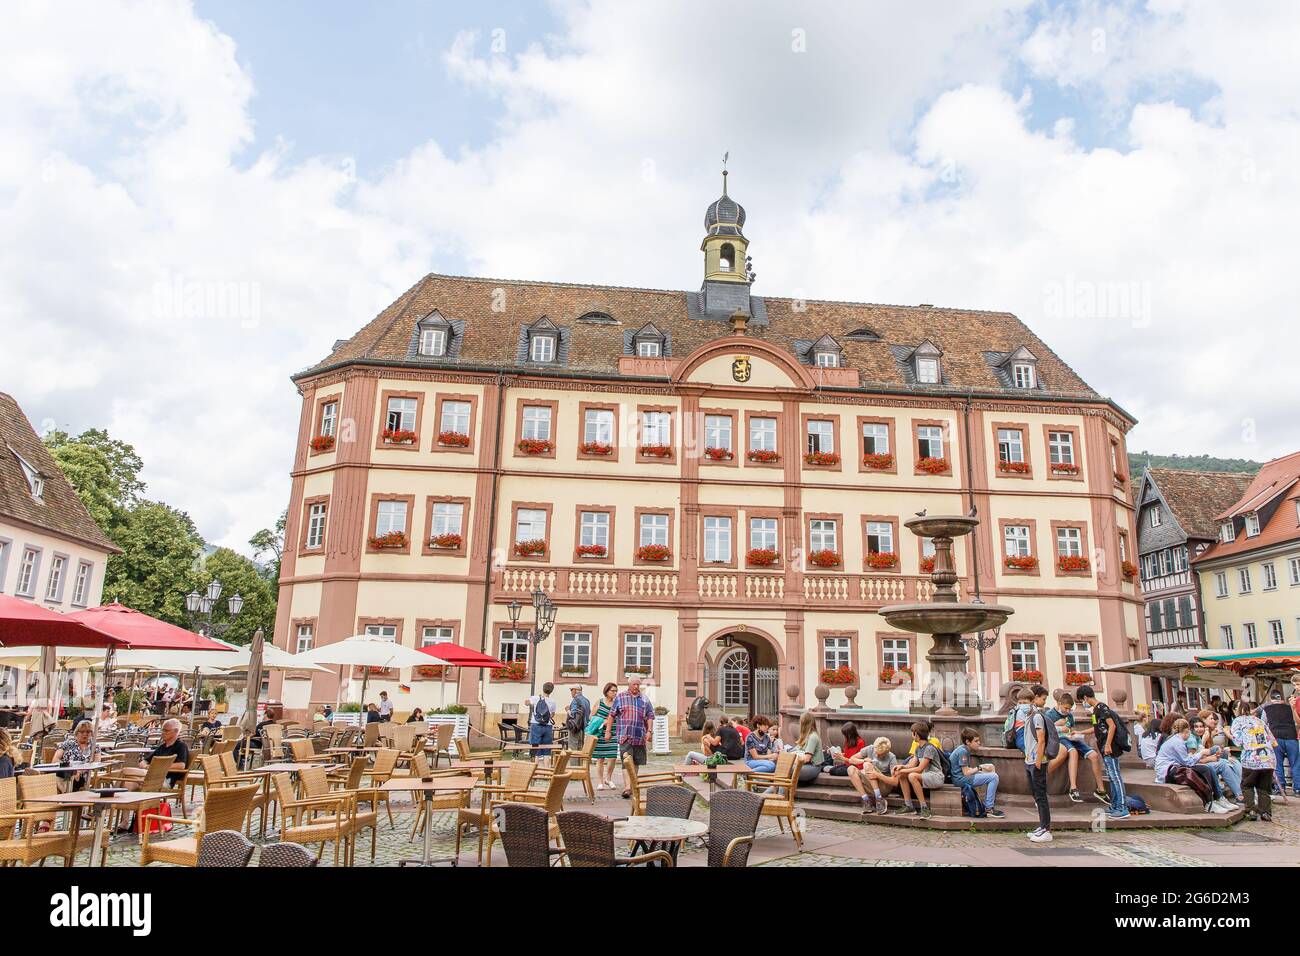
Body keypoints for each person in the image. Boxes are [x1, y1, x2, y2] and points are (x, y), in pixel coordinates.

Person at [1154, 718, 1234, 813]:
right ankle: (1210, 801)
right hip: (1168, 773)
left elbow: (1184, 760)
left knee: (1208, 768)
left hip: (1171, 770)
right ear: (1186, 731)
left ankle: (1218, 798)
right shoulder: (1178, 742)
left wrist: (1203, 753)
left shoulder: (1174, 739)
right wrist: (1202, 753)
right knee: (1203, 771)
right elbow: (1187, 762)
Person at [1076, 685, 1129, 819]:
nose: (1084, 703)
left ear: (1085, 697)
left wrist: (1108, 744)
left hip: (1109, 748)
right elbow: (1096, 728)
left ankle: (1123, 807)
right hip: (1104, 747)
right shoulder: (1095, 711)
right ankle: (1115, 805)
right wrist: (1080, 732)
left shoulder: (1102, 708)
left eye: (1082, 700)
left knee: (1115, 776)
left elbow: (1112, 726)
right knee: (1111, 776)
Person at [1044, 692, 1107, 804]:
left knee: (1094, 755)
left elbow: (1071, 728)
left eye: (1069, 709)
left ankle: (1101, 790)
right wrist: (1057, 726)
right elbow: (1045, 731)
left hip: (1072, 738)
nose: (1067, 711)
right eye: (1066, 708)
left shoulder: (1070, 716)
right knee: (1073, 752)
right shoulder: (1049, 714)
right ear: (1059, 703)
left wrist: (1072, 732)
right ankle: (1073, 788)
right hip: (1059, 739)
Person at [1231, 704, 1277, 821]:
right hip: (1268, 758)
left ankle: (1251, 810)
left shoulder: (1238, 721)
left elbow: (1238, 741)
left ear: (1237, 710)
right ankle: (1265, 812)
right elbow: (1273, 742)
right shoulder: (1259, 721)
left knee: (1247, 784)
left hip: (1251, 758)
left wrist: (1228, 733)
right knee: (1264, 787)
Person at [612, 677, 655, 797]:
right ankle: (627, 788)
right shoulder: (620, 697)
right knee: (626, 761)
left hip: (639, 736)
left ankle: (633, 785)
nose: (636, 686)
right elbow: (612, 715)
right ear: (629, 684)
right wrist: (608, 731)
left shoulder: (645, 699)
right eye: (634, 684)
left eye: (638, 684)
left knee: (636, 762)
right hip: (624, 735)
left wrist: (649, 731)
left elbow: (650, 715)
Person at [949, 727, 1005, 817]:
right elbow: (966, 773)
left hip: (961, 777)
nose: (979, 743)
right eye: (976, 741)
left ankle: (988, 804)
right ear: (968, 742)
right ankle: (989, 808)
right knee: (993, 777)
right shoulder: (963, 752)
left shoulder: (963, 749)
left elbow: (966, 770)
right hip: (960, 779)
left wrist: (982, 769)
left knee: (991, 774)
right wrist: (980, 767)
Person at [893, 721, 944, 819]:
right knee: (902, 775)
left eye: (912, 733)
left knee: (912, 775)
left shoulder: (929, 748)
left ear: (916, 734)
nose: (911, 735)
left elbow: (920, 768)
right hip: (926, 775)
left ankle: (924, 808)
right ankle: (909, 806)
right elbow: (912, 764)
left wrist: (903, 770)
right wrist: (901, 767)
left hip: (936, 776)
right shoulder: (918, 748)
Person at [1023, 684, 1053, 841]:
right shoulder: (1029, 715)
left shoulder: (1037, 716)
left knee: (1041, 795)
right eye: (1043, 698)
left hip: (1037, 760)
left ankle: (1046, 829)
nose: (1044, 701)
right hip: (1030, 760)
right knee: (1036, 795)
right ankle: (1042, 826)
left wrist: (1038, 762)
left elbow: (1041, 741)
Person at [1189, 714, 1241, 804]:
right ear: (1191, 728)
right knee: (1225, 764)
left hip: (1204, 762)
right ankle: (1239, 794)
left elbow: (1207, 752)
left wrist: (1218, 754)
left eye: (1201, 726)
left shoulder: (1197, 737)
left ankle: (1240, 792)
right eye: (1196, 727)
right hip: (1197, 767)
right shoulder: (1192, 739)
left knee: (1233, 762)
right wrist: (1212, 758)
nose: (1199, 729)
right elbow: (1193, 759)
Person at [1260, 689, 1299, 797]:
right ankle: (1298, 789)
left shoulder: (1266, 709)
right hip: (1291, 736)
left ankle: (1280, 788)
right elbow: (1296, 722)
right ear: (1281, 698)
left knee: (1278, 763)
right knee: (1295, 763)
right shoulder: (1290, 707)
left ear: (1270, 699)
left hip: (1275, 737)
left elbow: (1263, 725)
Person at [847, 736, 897, 813]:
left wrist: (878, 775)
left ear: (887, 753)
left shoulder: (891, 757)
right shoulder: (870, 748)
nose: (877, 756)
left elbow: (895, 782)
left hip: (883, 787)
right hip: (869, 784)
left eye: (881, 755)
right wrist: (863, 760)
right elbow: (851, 759)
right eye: (876, 752)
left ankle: (879, 799)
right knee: (851, 769)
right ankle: (866, 800)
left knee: (867, 765)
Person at [54, 719, 100, 791]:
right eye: (82, 732)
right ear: (77, 732)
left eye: (88, 732)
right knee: (65, 775)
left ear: (91, 733)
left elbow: (96, 763)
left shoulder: (94, 747)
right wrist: (71, 769)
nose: (85, 734)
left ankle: (66, 795)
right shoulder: (67, 744)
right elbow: (55, 759)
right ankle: (67, 794)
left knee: (75, 777)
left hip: (85, 774)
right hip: (66, 771)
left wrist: (81, 770)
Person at [590, 682, 620, 790]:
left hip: (613, 733)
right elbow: (591, 717)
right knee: (600, 758)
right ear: (607, 691)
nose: (615, 693)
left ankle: (608, 778)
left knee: (612, 757)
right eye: (613, 691)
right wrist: (603, 721)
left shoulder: (617, 703)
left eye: (616, 691)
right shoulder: (599, 702)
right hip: (600, 733)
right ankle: (600, 782)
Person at [143, 718, 190, 787]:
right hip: (152, 776)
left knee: (128, 772)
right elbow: (145, 761)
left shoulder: (181, 746)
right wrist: (145, 766)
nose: (163, 733)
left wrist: (156, 767)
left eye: (166, 730)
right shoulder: (162, 747)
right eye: (163, 730)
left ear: (176, 731)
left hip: (165, 780)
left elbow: (181, 766)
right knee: (128, 781)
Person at [525, 682, 558, 759]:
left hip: (536, 724)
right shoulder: (552, 701)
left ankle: (536, 768)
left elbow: (526, 703)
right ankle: (546, 769)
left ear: (543, 689)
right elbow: (552, 714)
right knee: (547, 749)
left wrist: (529, 702)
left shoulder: (535, 698)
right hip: (548, 726)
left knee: (536, 749)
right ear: (551, 691)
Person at [793, 712, 824, 785]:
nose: (799, 724)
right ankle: (770, 795)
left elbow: (807, 758)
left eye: (800, 721)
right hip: (804, 766)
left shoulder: (813, 737)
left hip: (813, 767)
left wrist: (792, 761)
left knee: (786, 769)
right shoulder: (806, 736)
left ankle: (777, 795)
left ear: (804, 723)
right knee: (783, 771)